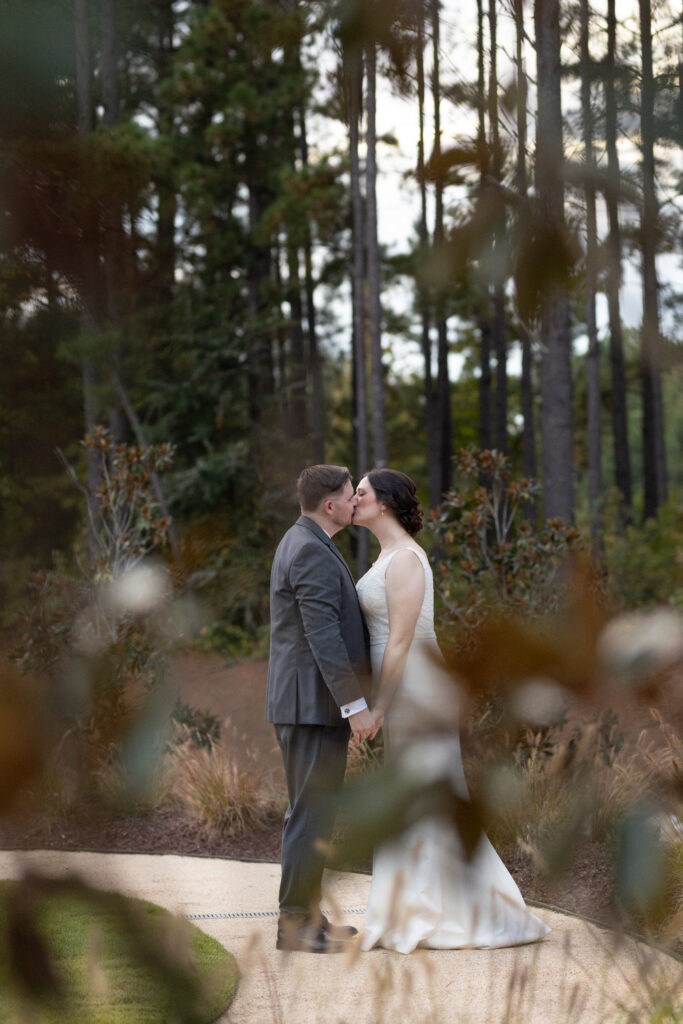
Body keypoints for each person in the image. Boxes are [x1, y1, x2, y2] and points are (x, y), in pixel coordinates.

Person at [353, 468, 550, 954]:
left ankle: (447, 913)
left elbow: (401, 639)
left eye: (361, 493)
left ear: (386, 503)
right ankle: (411, 908)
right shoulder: (386, 557)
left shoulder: (406, 561)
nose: (353, 499)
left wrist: (378, 705)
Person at [266, 464, 378, 953]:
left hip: (309, 705)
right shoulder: (309, 549)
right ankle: (294, 926)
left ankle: (307, 916)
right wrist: (354, 705)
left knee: (312, 812)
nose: (356, 501)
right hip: (309, 705)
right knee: (310, 813)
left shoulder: (308, 540)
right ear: (330, 505)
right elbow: (323, 638)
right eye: (351, 495)